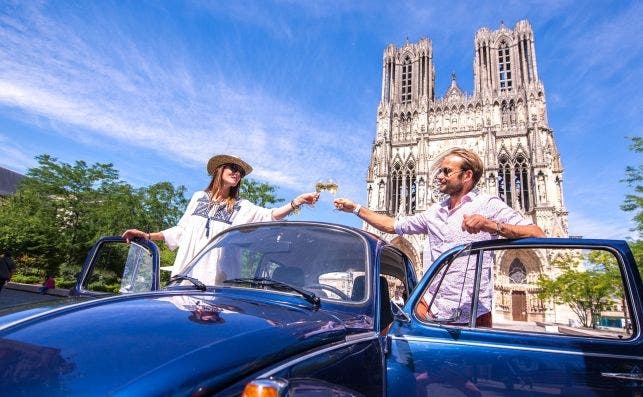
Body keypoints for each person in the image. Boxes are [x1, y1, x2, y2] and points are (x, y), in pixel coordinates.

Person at [334, 148, 544, 327]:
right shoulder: (435, 211)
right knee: (400, 352)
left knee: (469, 373)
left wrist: (491, 225)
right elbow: (392, 226)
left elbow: (536, 233)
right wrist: (356, 208)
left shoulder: (488, 204)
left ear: (467, 176)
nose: (439, 176)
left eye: (446, 171)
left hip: (472, 313)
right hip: (430, 307)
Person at [122, 154, 319, 283]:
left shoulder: (242, 205)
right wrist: (147, 236)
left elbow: (270, 215)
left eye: (240, 172)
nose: (237, 173)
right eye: (233, 168)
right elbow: (181, 230)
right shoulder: (199, 197)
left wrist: (296, 202)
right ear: (220, 170)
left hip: (217, 281)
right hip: (186, 278)